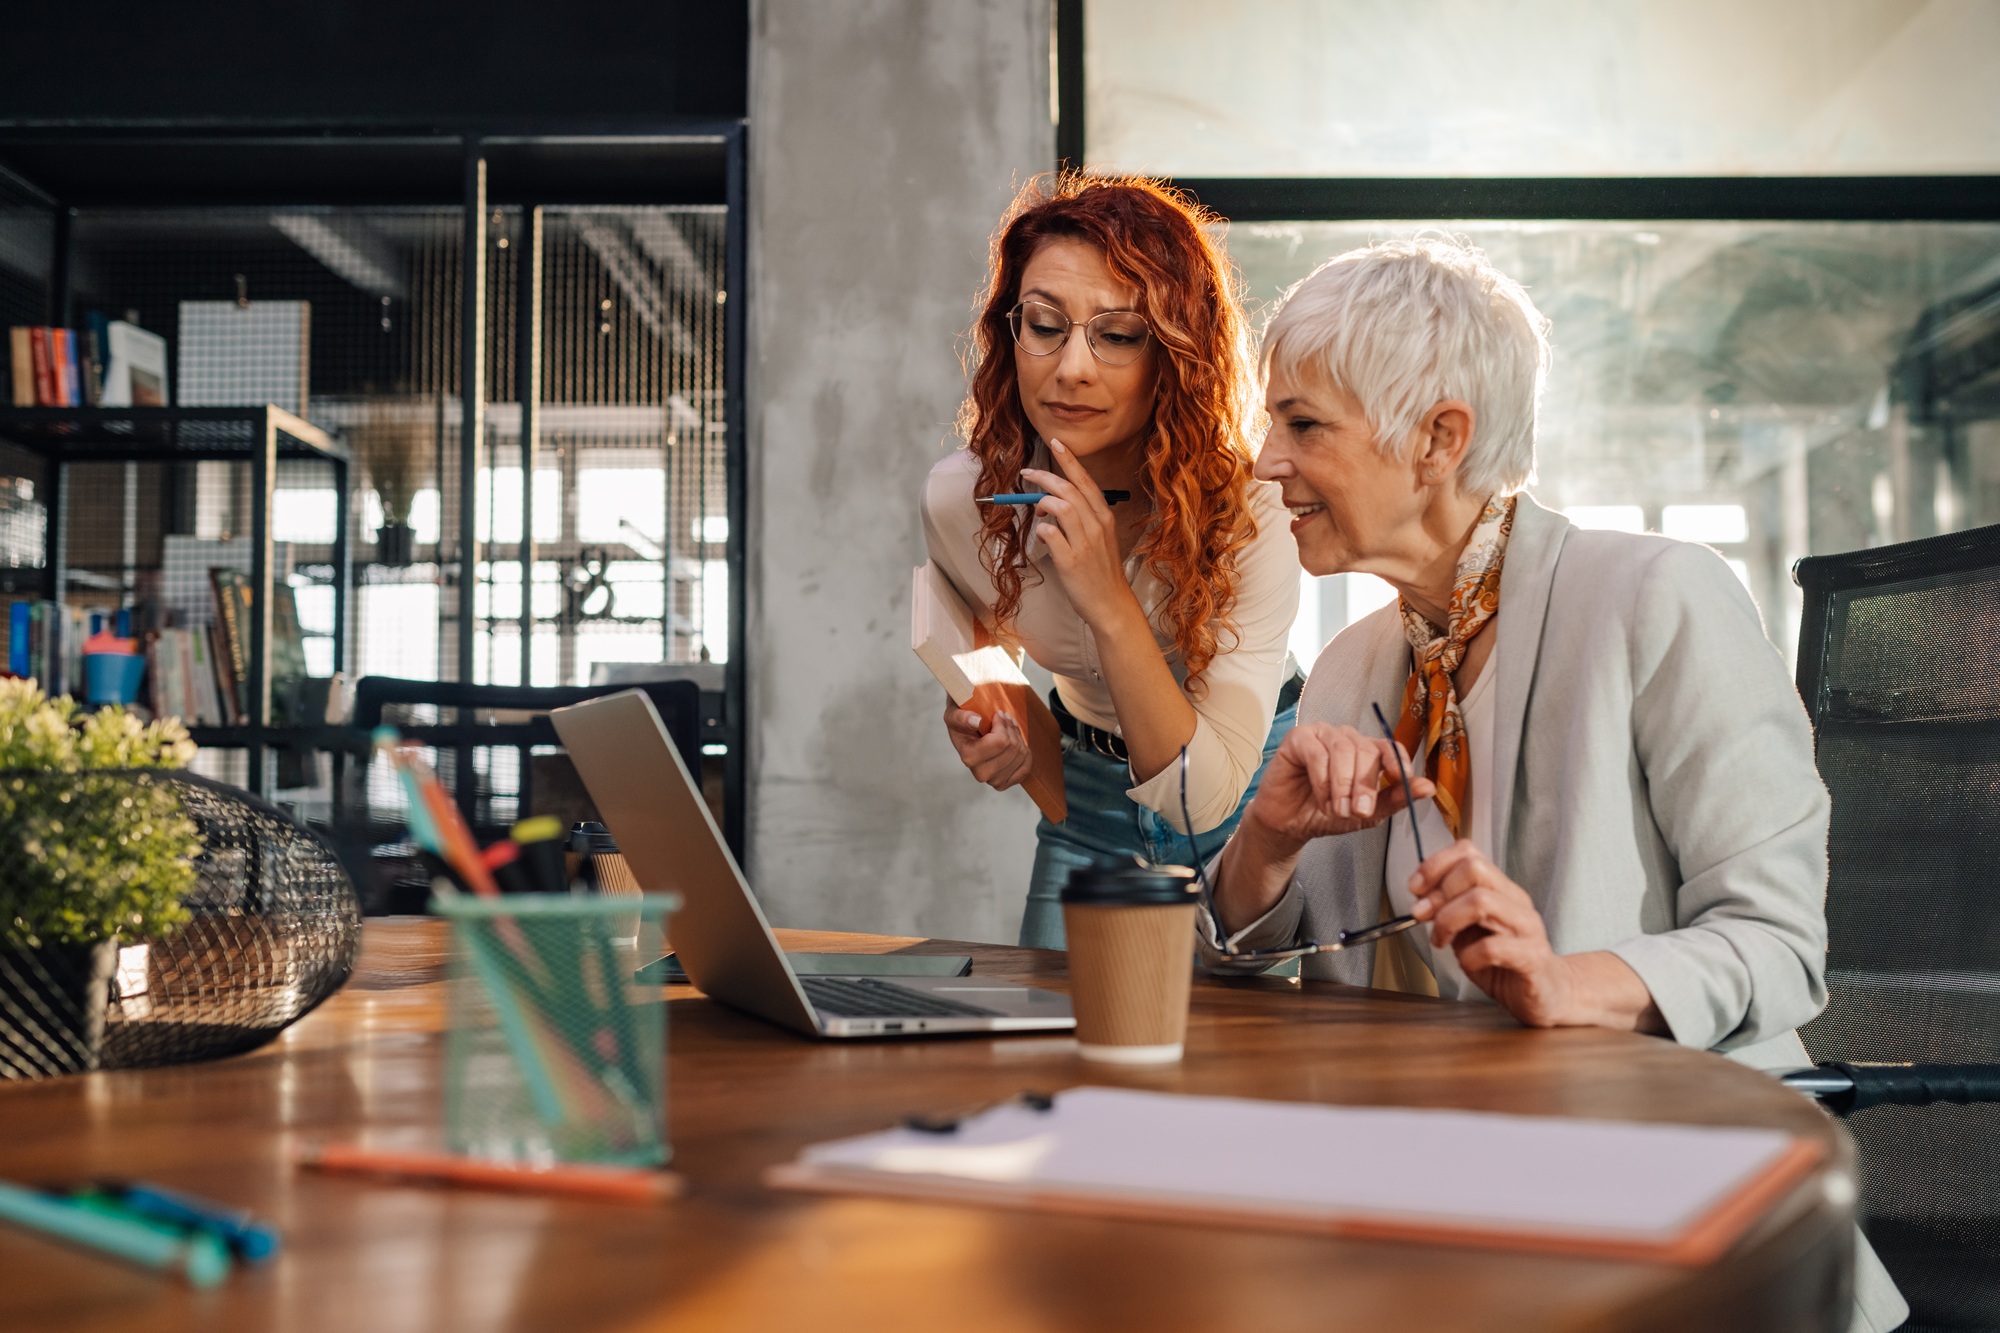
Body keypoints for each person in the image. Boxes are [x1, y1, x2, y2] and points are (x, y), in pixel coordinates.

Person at [1198, 235, 1904, 1333]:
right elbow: (1242, 967)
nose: (1263, 461)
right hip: (1425, 1201)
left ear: (1439, 437)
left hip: (1672, 1224)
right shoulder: (1347, 662)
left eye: (1301, 425)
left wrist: (1573, 984)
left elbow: (1777, 945)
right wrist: (1264, 847)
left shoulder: (1657, 597)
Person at [921, 174, 1300, 949]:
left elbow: (1204, 799)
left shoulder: (1254, 510)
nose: (1071, 370)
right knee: (1054, 1049)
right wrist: (997, 722)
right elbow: (986, 637)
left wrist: (1106, 597)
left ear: (1175, 353)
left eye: (1118, 335)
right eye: (1045, 324)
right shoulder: (965, 499)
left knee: (1250, 1063)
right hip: (1089, 798)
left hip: (1253, 795)